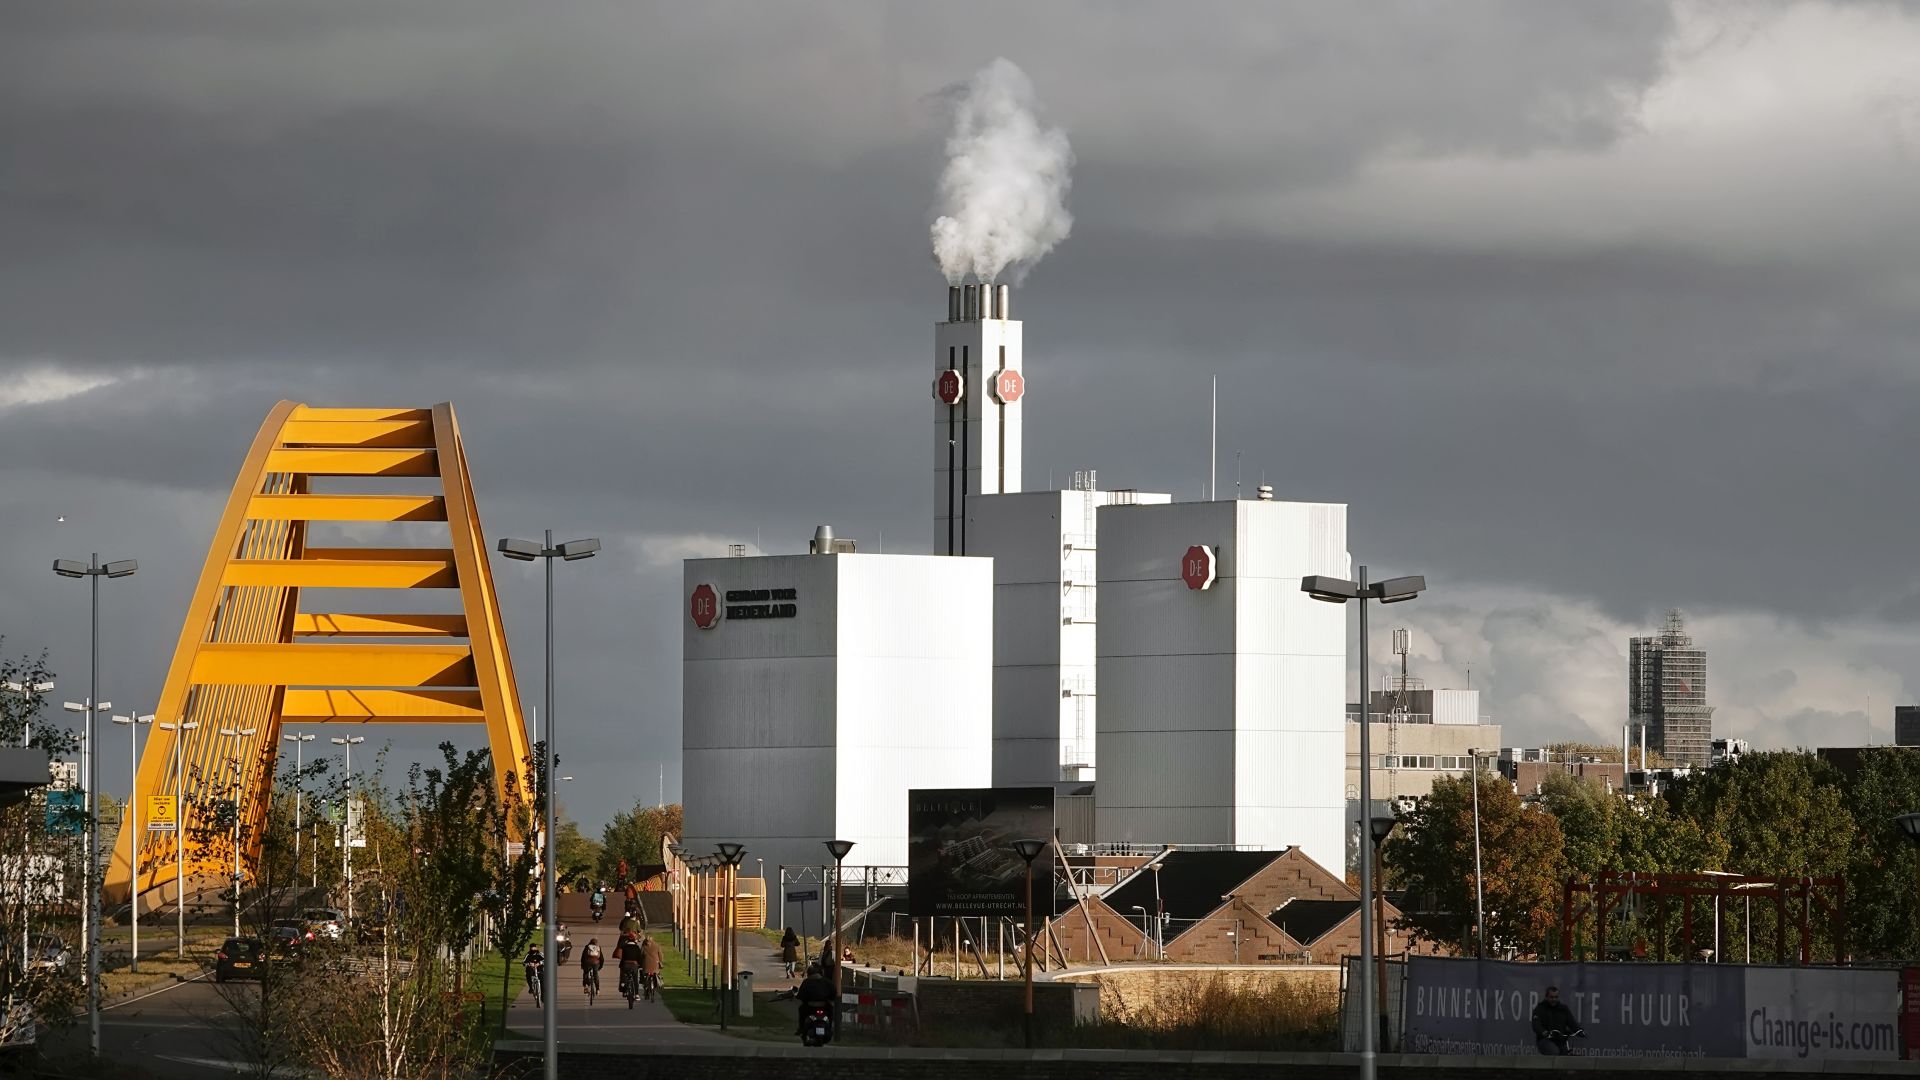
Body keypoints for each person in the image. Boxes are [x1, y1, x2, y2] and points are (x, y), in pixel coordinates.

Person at [1531, 986, 1582, 1055]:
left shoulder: (1563, 1009)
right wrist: (1543, 1032)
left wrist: (1580, 1031)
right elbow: (1536, 1025)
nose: (1554, 999)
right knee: (1555, 1053)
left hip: (1560, 1041)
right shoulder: (1540, 1009)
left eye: (1556, 997)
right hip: (1545, 1040)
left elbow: (1572, 1023)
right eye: (1551, 997)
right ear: (1546, 997)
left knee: (1567, 1057)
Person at [795, 960, 836, 1039]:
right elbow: (834, 992)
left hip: (810, 1005)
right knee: (831, 1013)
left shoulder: (806, 982)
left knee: (801, 1010)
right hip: (824, 1005)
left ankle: (801, 1028)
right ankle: (830, 1028)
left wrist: (801, 998)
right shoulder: (827, 982)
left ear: (809, 973)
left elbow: (801, 995)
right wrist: (830, 999)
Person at [614, 930, 645, 1000]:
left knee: (623, 976)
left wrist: (621, 965)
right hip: (634, 965)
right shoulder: (637, 947)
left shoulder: (625, 947)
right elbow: (639, 958)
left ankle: (624, 988)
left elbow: (623, 958)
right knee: (635, 979)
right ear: (634, 940)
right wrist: (640, 966)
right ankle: (636, 994)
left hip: (626, 964)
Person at [639, 932, 664, 1001]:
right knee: (657, 973)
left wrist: (640, 963)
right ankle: (657, 984)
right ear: (652, 939)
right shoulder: (657, 945)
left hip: (646, 965)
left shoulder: (644, 946)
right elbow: (661, 955)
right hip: (655, 965)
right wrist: (660, 962)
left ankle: (646, 989)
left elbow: (641, 955)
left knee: (644, 976)